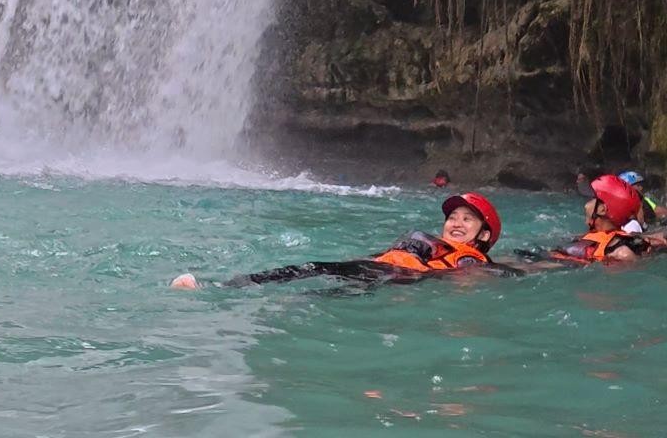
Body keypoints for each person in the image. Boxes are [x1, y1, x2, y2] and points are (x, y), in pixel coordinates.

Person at [170, 192, 508, 290]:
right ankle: (229, 287)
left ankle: (220, 288)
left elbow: (464, 278)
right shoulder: (437, 246)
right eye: (452, 217)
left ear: (483, 235)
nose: (456, 223)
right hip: (383, 271)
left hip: (398, 277)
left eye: (467, 219)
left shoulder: (471, 259)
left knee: (312, 269)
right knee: (323, 283)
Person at [547, 174, 651, 263]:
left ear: (602, 210)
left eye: (593, 198)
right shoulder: (596, 235)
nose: (587, 203)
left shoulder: (621, 253)